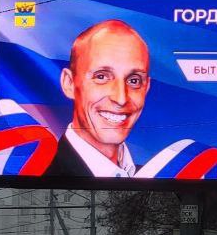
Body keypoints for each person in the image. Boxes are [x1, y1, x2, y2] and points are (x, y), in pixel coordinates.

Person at [44, 19, 151, 178]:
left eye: (134, 80)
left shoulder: (151, 176)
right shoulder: (42, 174)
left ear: (146, 87)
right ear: (69, 83)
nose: (121, 98)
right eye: (101, 77)